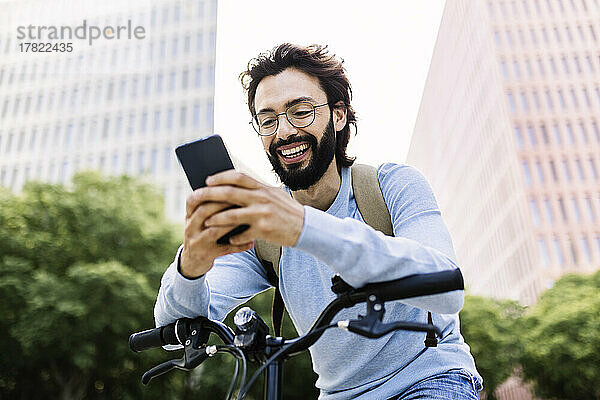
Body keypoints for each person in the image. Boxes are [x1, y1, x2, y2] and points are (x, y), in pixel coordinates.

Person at [154, 43, 483, 399]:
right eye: (268, 119)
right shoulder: (263, 231)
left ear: (338, 116)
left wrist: (302, 226)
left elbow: (446, 289)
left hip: (428, 381)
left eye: (301, 111)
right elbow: (174, 330)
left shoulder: (392, 186)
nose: (283, 132)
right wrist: (191, 267)